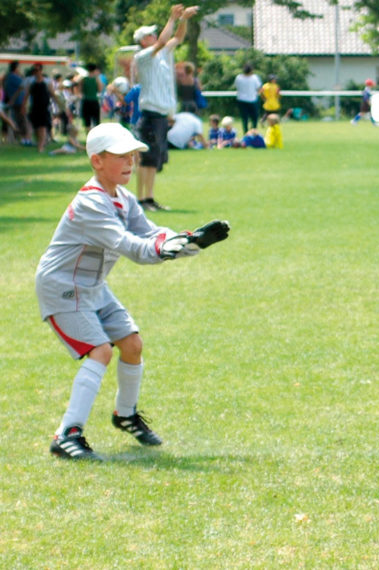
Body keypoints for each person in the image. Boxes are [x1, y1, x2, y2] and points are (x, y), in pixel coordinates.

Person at [36, 122, 229, 460]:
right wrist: (163, 250)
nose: (130, 162)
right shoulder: (91, 204)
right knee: (101, 352)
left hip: (92, 285)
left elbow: (150, 232)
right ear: (97, 161)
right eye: (121, 156)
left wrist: (186, 241)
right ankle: (66, 434)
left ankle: (125, 415)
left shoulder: (123, 197)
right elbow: (129, 245)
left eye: (132, 156)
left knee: (132, 344)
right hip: (63, 286)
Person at [133, 4, 199, 212]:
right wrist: (171, 18)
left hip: (161, 115)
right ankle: (142, 199)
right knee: (146, 159)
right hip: (150, 115)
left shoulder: (162, 55)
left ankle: (149, 198)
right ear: (144, 40)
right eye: (150, 34)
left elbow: (177, 38)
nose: (154, 36)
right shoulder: (143, 56)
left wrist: (183, 20)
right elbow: (163, 40)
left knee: (155, 160)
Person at [24, 63, 70, 153]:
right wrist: (23, 106)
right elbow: (26, 95)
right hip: (34, 108)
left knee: (43, 127)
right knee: (36, 128)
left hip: (44, 108)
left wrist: (60, 104)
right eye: (34, 71)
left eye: (38, 70)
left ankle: (41, 146)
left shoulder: (47, 82)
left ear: (41, 70)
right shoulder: (31, 82)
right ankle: (40, 143)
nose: (36, 72)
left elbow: (53, 94)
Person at [234, 64, 261, 133]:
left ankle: (246, 132)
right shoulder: (254, 78)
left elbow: (236, 86)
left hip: (241, 100)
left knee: (244, 118)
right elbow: (259, 88)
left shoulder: (238, 77)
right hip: (252, 100)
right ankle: (253, 131)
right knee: (254, 118)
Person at [80, 64, 105, 134]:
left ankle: (88, 136)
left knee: (87, 120)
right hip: (94, 100)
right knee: (96, 120)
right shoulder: (96, 79)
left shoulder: (83, 79)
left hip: (86, 101)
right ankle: (96, 136)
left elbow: (80, 90)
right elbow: (100, 90)